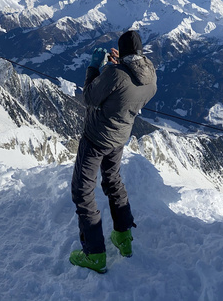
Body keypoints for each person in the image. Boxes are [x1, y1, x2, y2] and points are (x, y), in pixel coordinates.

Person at [69, 30, 157, 273]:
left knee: (83, 192)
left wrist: (95, 68)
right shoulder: (150, 77)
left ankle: (94, 254)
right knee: (113, 181)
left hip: (96, 139)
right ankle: (123, 237)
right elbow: (126, 92)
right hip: (119, 139)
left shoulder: (114, 74)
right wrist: (119, 67)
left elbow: (89, 97)